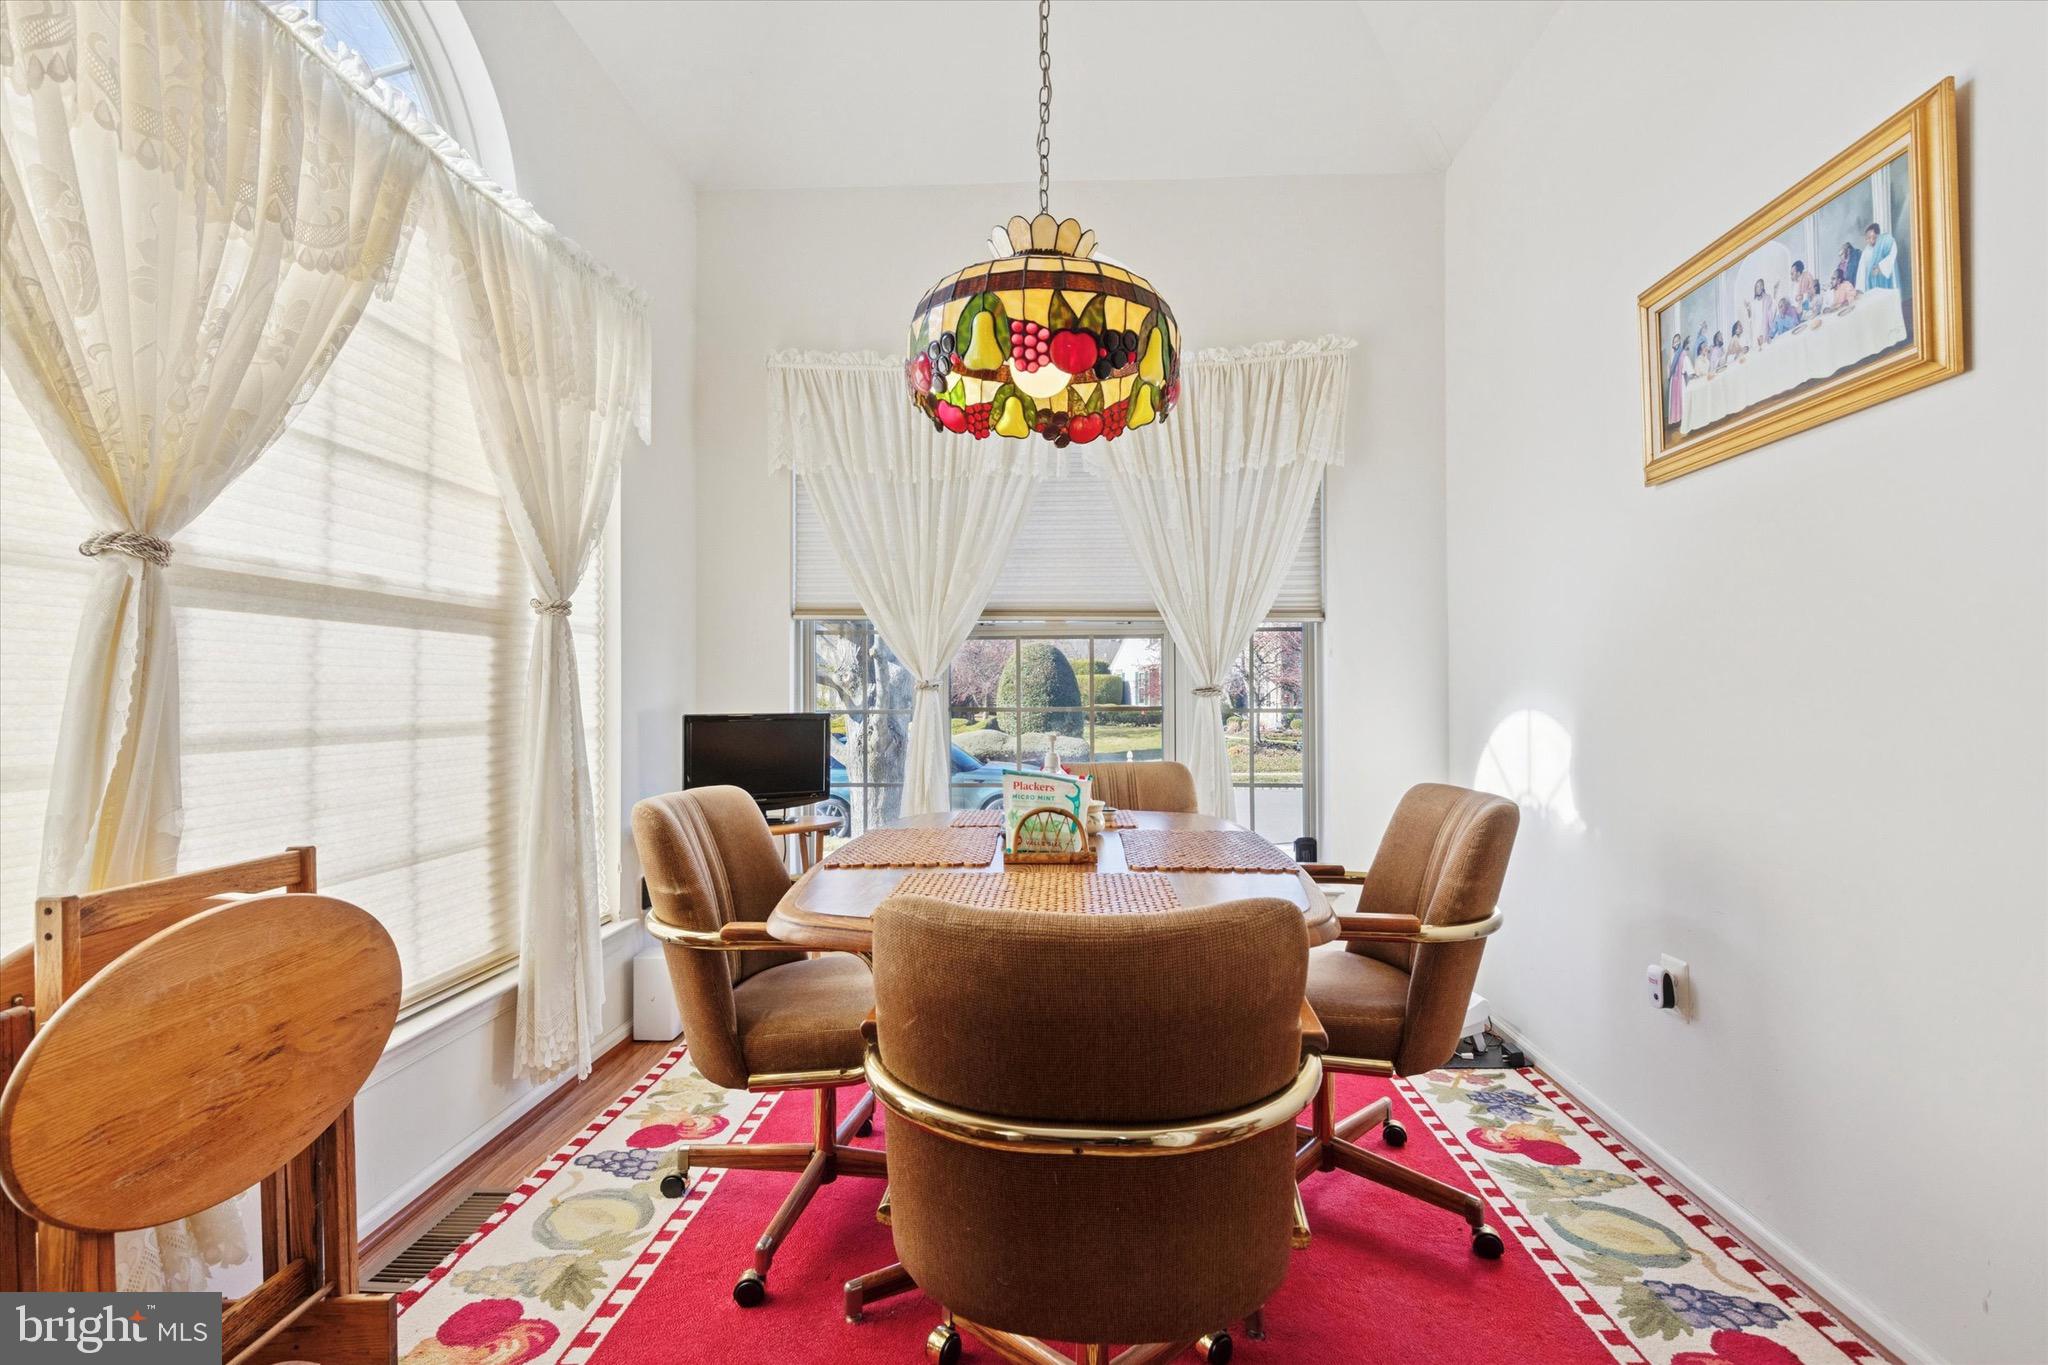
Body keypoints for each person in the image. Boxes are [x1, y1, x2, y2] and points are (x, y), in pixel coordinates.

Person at [1860, 221, 1900, 289]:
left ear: (1877, 235)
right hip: (1873, 283)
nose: (1869, 240)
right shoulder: (1866, 251)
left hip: (1886, 280)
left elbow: (1892, 255)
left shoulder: (1886, 241)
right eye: (1867, 238)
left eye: (1871, 237)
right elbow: (1862, 268)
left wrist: (1880, 268)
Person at [1665, 335, 1687, 427]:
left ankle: (1682, 418)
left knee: (1682, 398)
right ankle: (1675, 420)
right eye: (1674, 341)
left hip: (1680, 379)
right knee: (1674, 400)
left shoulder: (1683, 353)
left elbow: (1685, 366)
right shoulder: (1673, 355)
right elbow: (1669, 367)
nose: (1676, 343)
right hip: (1674, 380)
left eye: (1678, 341)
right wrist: (1669, 374)